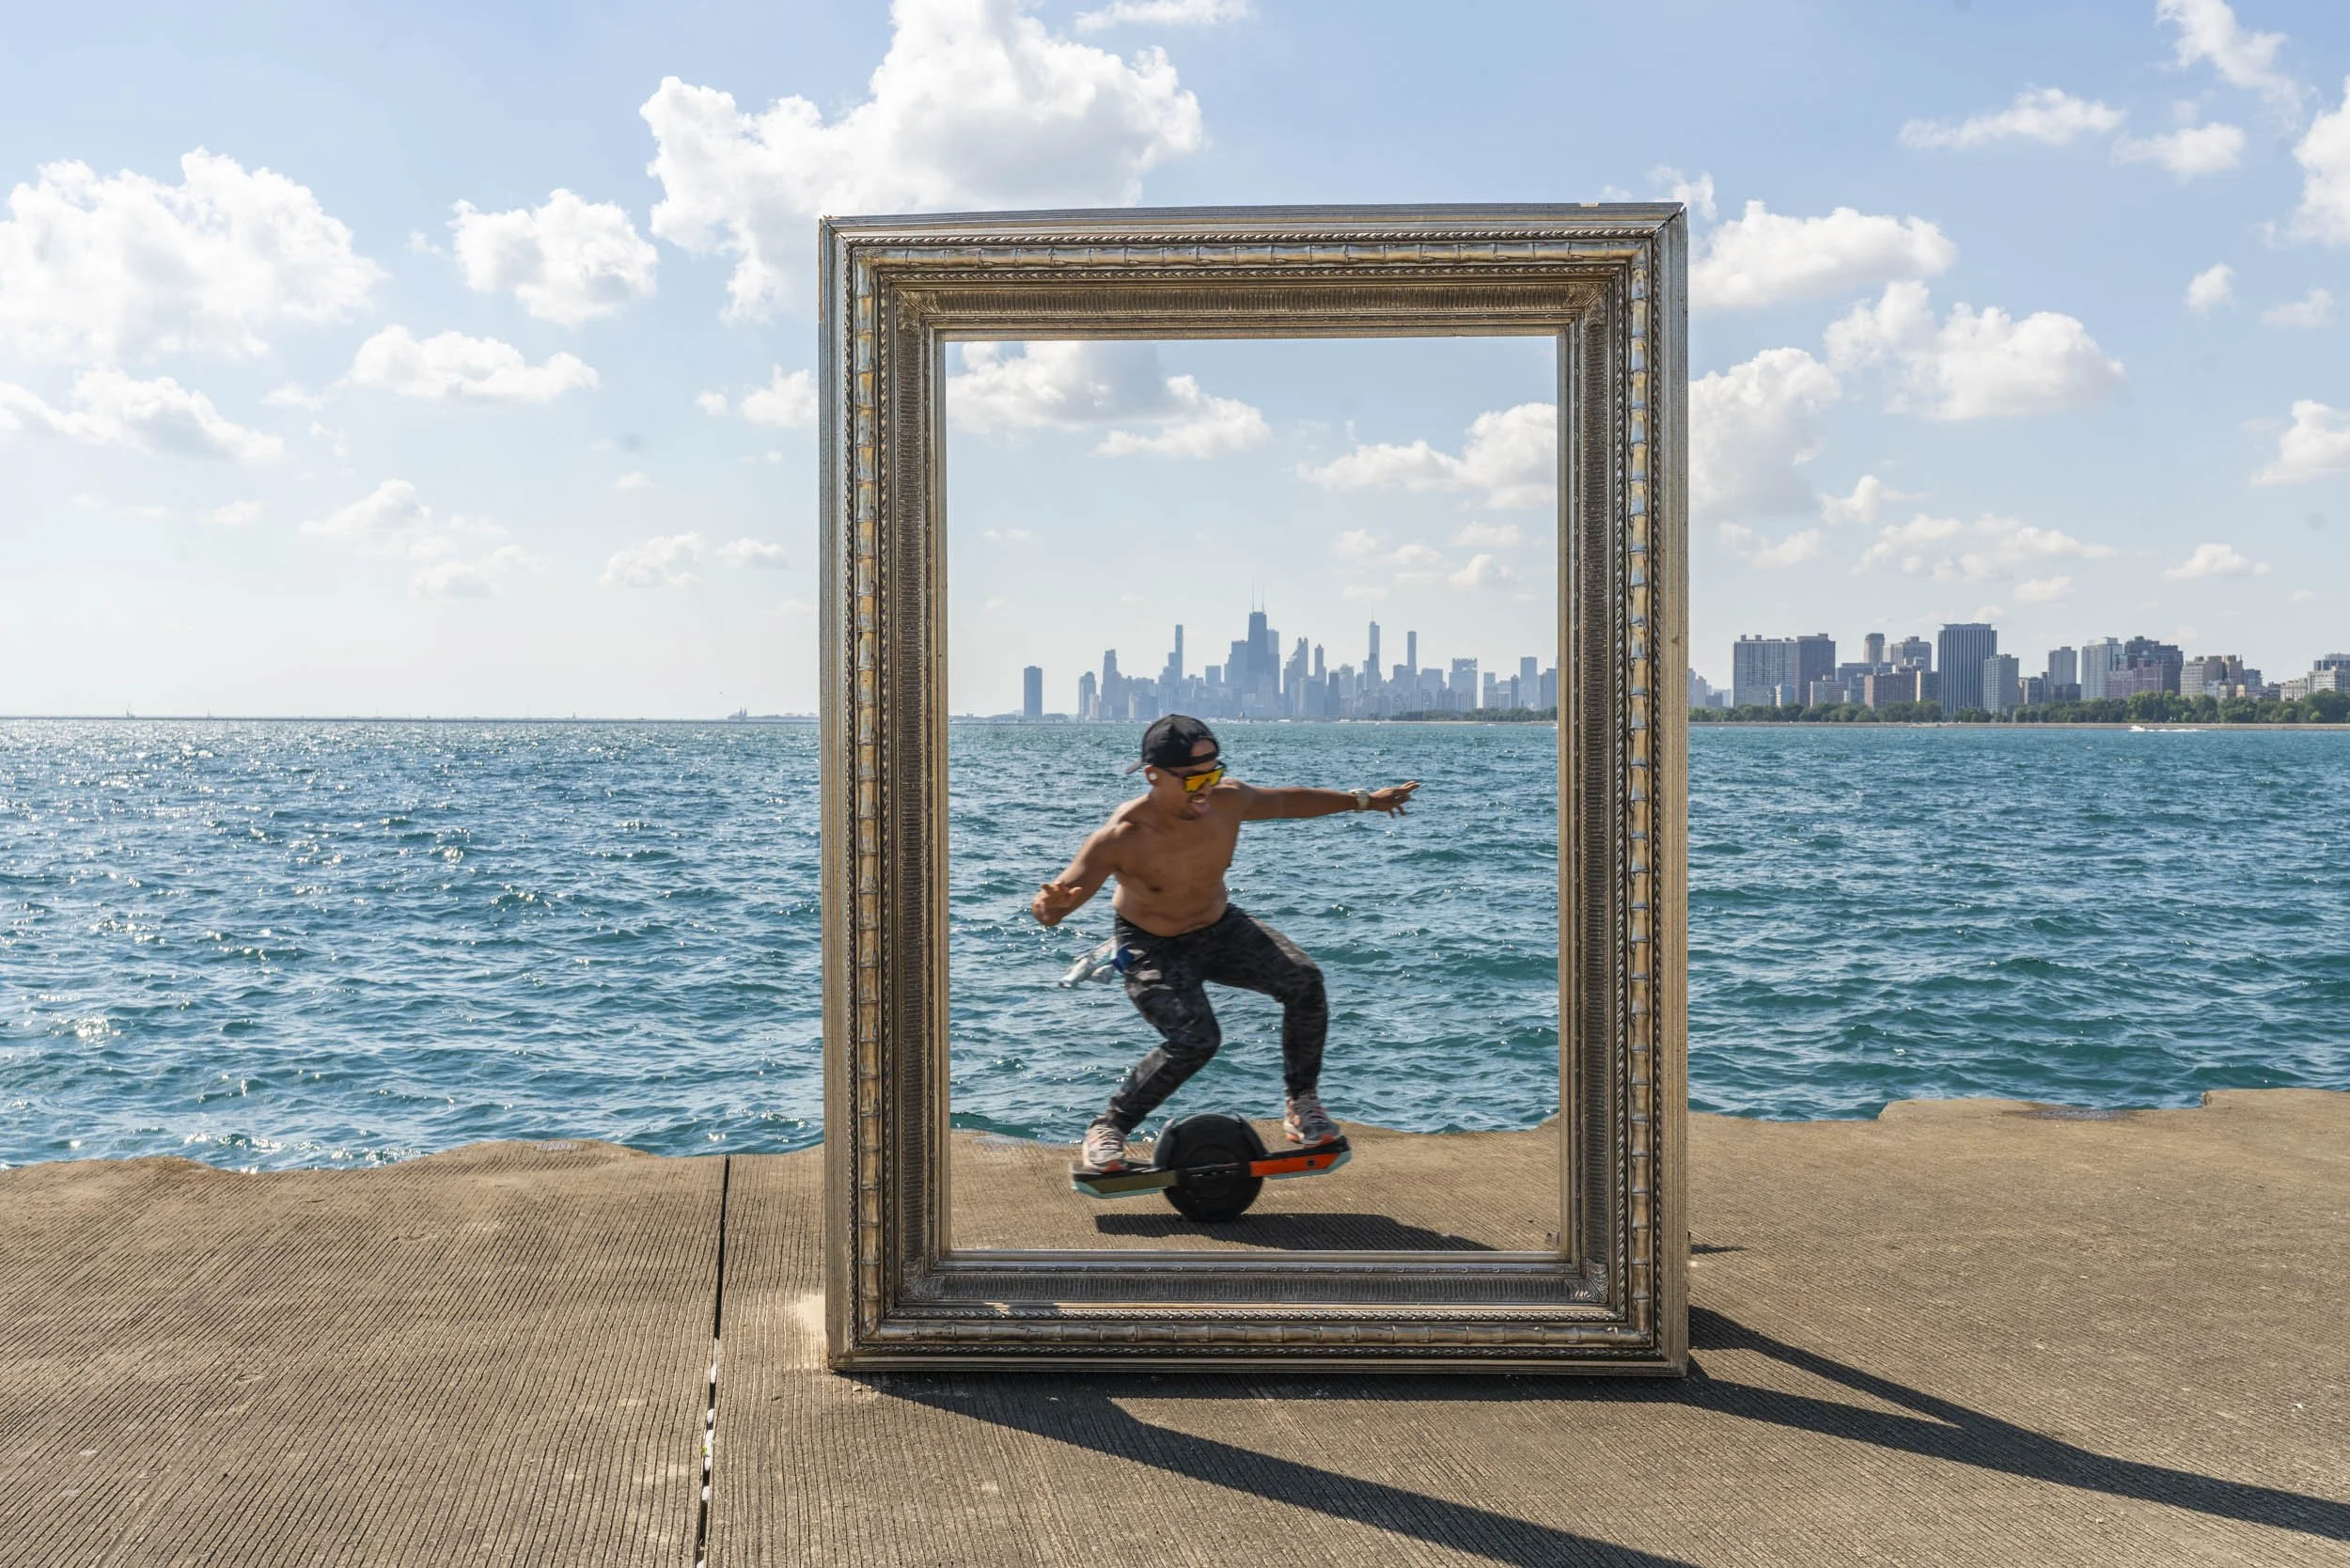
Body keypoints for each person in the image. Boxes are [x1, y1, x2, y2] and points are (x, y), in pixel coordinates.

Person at [1030, 713, 1420, 1174]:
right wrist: (1052, 907)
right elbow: (1053, 908)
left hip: (1219, 927)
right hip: (1151, 945)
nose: (1206, 787)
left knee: (1305, 983)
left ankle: (1302, 1106)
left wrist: (1363, 801)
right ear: (1153, 775)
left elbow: (1285, 803)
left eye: (1213, 773)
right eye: (1193, 777)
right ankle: (1109, 1126)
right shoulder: (1122, 837)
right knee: (1196, 1039)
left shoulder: (1227, 800)